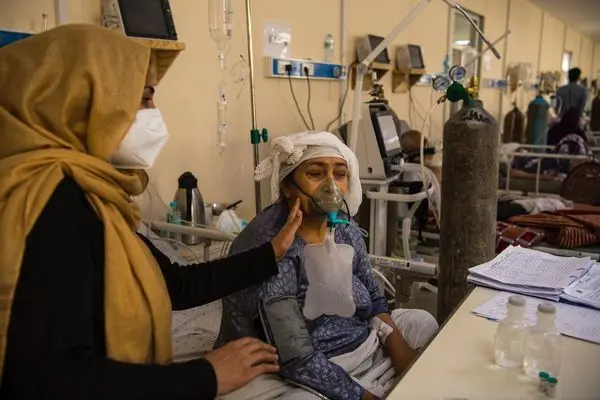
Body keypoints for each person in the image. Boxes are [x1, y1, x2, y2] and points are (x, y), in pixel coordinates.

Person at [0, 24, 304, 399]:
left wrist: (271, 252)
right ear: (79, 101)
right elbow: (50, 379)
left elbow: (173, 283)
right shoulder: (50, 203)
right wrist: (205, 376)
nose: (155, 115)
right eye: (144, 99)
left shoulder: (92, 194)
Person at [219, 132, 439, 400]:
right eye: (315, 173)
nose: (331, 185)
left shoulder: (345, 229)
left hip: (361, 345)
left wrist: (400, 351)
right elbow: (294, 355)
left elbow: (374, 298)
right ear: (287, 186)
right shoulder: (270, 246)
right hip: (293, 371)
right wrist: (364, 397)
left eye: (340, 174)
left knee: (422, 323)